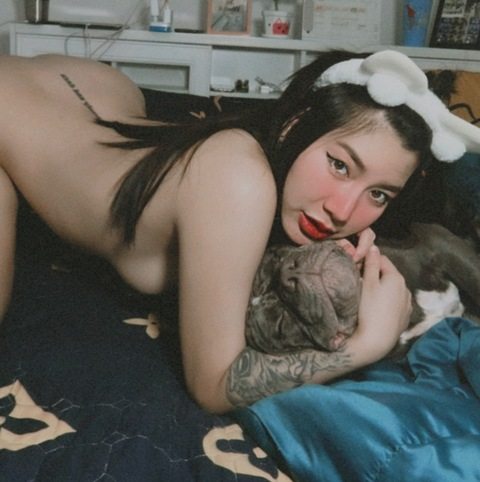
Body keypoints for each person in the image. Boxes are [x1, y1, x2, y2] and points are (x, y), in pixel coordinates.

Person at [0, 49, 478, 414]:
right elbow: (213, 385)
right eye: (338, 164)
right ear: (294, 126)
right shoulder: (237, 179)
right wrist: (365, 345)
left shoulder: (261, 178)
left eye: (378, 194)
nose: (342, 210)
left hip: (101, 87)